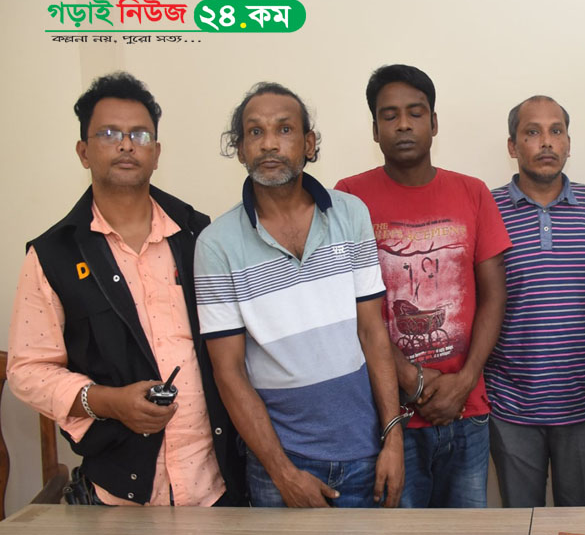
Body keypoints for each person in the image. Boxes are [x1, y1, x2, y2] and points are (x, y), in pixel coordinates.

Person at [7, 72, 243, 506]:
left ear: (156, 153)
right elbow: (28, 370)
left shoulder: (198, 234)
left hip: (217, 484)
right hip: (120, 494)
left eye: (140, 135)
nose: (126, 145)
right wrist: (108, 402)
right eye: (109, 134)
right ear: (83, 152)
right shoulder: (53, 255)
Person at [194, 82, 403, 508]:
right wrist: (282, 473)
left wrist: (393, 439)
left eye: (284, 129)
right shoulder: (216, 245)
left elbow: (372, 333)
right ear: (240, 149)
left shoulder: (350, 214)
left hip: (366, 452)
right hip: (281, 464)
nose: (269, 143)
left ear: (309, 143)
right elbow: (228, 372)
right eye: (255, 132)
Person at [336, 65, 510, 508]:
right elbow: (347, 308)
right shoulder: (349, 199)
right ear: (375, 129)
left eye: (415, 113)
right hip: (389, 418)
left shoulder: (472, 192)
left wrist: (465, 380)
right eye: (389, 115)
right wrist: (411, 381)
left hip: (466, 410)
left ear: (433, 123)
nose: (403, 125)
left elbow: (494, 296)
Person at [486, 95, 585, 507]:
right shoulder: (488, 208)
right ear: (512, 146)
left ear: (569, 143)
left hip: (584, 404)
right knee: (522, 526)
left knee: (581, 527)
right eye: (532, 132)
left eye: (556, 131)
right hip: (511, 405)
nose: (546, 142)